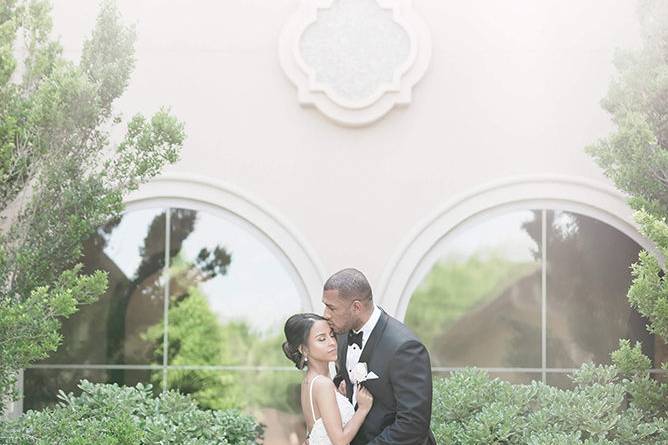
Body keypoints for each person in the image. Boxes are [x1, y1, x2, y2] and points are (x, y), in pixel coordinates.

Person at [322, 268, 436, 445]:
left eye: (331, 308)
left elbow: (413, 425)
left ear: (356, 307)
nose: (325, 314)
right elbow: (345, 381)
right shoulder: (342, 335)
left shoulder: (405, 347)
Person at [283, 313, 374, 445]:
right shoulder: (322, 384)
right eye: (321, 339)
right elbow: (340, 441)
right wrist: (363, 409)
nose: (332, 343)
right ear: (304, 349)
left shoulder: (310, 380)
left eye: (331, 335)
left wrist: (340, 396)